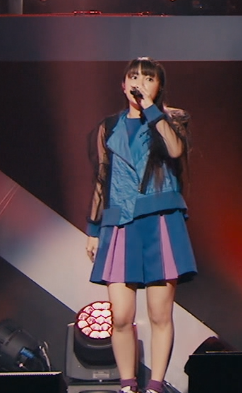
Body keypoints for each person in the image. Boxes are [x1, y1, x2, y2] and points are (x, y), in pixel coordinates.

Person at [86, 58, 196, 393]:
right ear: (123, 85)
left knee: (160, 314)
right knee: (120, 315)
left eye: (148, 79)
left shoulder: (171, 119)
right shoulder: (109, 126)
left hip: (160, 219)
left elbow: (175, 151)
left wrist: (151, 110)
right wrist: (93, 230)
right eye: (133, 77)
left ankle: (155, 385)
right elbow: (102, 178)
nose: (139, 83)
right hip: (120, 222)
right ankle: (127, 384)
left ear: (158, 87)